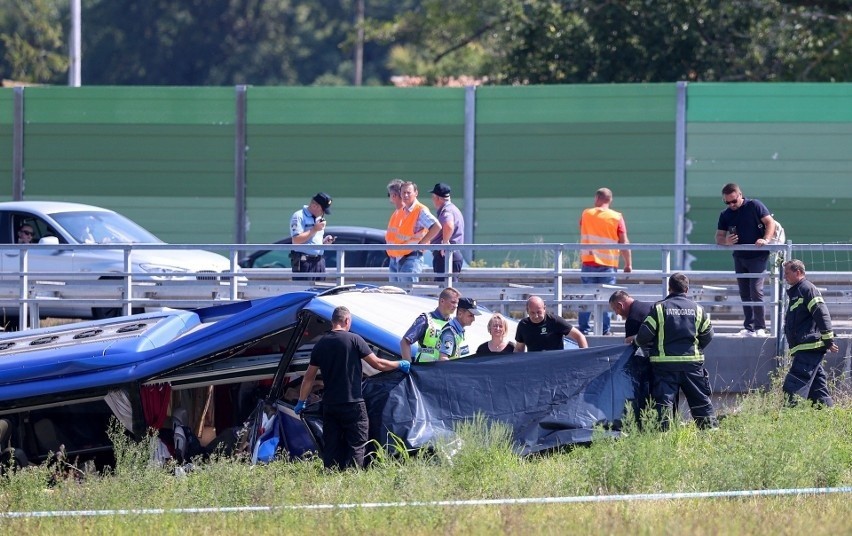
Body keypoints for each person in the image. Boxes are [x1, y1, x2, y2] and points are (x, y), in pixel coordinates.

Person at [294, 306, 410, 470]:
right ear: (347, 320)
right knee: (357, 444)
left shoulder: (320, 344)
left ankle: (331, 478)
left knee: (332, 446)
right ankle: (352, 479)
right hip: (353, 403)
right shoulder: (354, 339)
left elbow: (309, 377)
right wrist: (399, 364)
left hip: (330, 405)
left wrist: (301, 401)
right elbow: (377, 364)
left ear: (333, 321)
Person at [635, 273, 718, 430]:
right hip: (692, 365)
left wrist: (636, 343)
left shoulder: (659, 308)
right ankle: (711, 434)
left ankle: (662, 439)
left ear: (669, 288)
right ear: (687, 289)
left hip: (664, 366)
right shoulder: (698, 309)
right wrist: (696, 349)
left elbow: (643, 336)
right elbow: (709, 335)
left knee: (663, 404)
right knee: (700, 401)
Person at [715, 183, 777, 337]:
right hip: (739, 256)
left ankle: (760, 327)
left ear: (740, 195)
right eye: (727, 202)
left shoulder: (754, 205)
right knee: (744, 292)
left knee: (756, 290)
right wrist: (726, 242)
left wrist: (765, 240)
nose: (731, 205)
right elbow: (718, 237)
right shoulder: (725, 215)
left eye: (734, 201)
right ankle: (749, 327)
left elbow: (770, 223)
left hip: (758, 255)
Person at [781, 259, 837, 407]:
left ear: (798, 272)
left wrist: (828, 339)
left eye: (787, 273)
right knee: (817, 391)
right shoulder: (797, 291)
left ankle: (790, 419)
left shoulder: (807, 289)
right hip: (804, 348)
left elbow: (821, 313)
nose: (784, 276)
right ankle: (827, 414)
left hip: (809, 347)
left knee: (793, 386)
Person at [578, 187, 632, 336]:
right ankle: (604, 330)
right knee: (608, 297)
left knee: (587, 295)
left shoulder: (586, 214)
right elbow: (624, 242)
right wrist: (628, 264)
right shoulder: (616, 217)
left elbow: (583, 229)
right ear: (610, 200)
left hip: (588, 262)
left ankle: (583, 328)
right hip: (608, 264)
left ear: (597, 198)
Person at [385, 181, 441, 283]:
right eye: (403, 193)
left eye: (408, 192)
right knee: (395, 295)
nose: (405, 195)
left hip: (411, 257)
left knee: (408, 294)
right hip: (397, 257)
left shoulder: (420, 210)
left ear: (416, 193)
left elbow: (437, 226)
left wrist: (422, 243)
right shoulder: (402, 210)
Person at [609, 290, 654, 416]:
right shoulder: (647, 306)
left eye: (615, 309)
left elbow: (629, 345)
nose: (616, 313)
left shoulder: (633, 318)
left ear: (620, 305)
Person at [400, 287, 460, 363]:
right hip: (424, 370)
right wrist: (408, 366)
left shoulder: (453, 325)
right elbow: (405, 342)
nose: (456, 306)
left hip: (444, 371)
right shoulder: (426, 319)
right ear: (442, 301)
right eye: (453, 302)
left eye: (457, 303)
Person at [514, 295, 588, 352]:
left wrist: (584, 357)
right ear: (527, 311)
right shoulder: (523, 325)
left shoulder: (555, 321)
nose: (536, 316)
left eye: (539, 312)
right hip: (534, 365)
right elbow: (519, 349)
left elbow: (579, 336)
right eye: (532, 313)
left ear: (544, 309)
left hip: (555, 363)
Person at [289, 192, 335, 279]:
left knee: (321, 291)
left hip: (319, 262)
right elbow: (296, 240)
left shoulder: (318, 218)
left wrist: (324, 242)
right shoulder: (299, 216)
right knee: (305, 291)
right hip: (305, 263)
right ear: (314, 206)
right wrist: (314, 229)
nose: (323, 214)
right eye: (322, 210)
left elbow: (312, 240)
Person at [429, 182, 465, 281]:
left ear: (438, 198)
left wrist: (445, 244)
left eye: (433, 197)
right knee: (450, 291)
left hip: (446, 257)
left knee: (443, 290)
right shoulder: (453, 209)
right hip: (451, 255)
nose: (432, 200)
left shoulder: (446, 211)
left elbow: (449, 225)